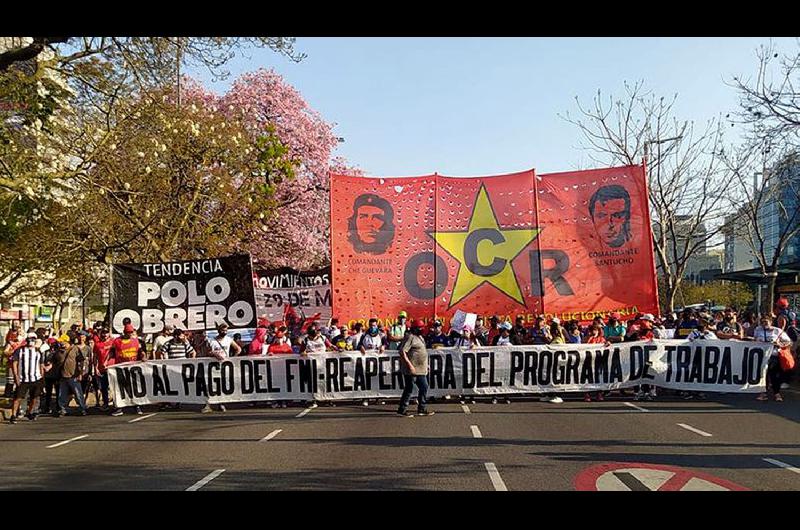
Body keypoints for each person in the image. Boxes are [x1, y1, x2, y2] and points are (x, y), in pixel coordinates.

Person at [201, 323, 241, 413]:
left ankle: (221, 403)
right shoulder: (211, 340)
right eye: (223, 330)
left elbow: (238, 349)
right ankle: (208, 404)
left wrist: (232, 359)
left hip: (224, 366)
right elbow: (207, 352)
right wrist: (214, 353)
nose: (224, 332)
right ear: (219, 330)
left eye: (226, 330)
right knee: (210, 385)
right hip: (213, 366)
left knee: (222, 385)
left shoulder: (229, 340)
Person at [752, 315, 793, 402]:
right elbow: (754, 340)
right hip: (762, 356)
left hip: (774, 356)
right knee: (763, 374)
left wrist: (780, 344)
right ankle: (764, 393)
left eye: (766, 322)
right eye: (762, 322)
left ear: (771, 322)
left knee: (774, 375)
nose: (764, 324)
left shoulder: (777, 331)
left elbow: (789, 342)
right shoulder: (758, 330)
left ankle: (777, 393)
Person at [397, 319, 433, 417]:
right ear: (415, 329)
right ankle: (402, 409)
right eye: (420, 328)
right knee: (409, 388)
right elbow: (402, 351)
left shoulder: (420, 337)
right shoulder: (410, 338)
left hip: (421, 369)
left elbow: (422, 351)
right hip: (411, 369)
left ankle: (422, 408)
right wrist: (410, 365)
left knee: (424, 386)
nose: (422, 329)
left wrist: (426, 364)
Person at [9, 333, 47, 423]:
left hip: (36, 378)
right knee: (18, 397)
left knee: (34, 397)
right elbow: (14, 363)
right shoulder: (20, 351)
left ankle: (29, 412)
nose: (31, 341)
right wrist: (16, 376)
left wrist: (42, 377)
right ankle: (13, 415)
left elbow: (41, 365)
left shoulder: (38, 352)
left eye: (33, 339)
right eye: (30, 339)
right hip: (23, 379)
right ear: (26, 340)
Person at [109, 323, 146, 416]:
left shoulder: (136, 341)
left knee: (134, 388)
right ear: (124, 332)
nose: (129, 334)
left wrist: (143, 356)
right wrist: (108, 363)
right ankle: (119, 408)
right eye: (128, 332)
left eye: (131, 332)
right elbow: (112, 353)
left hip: (132, 367)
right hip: (120, 367)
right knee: (119, 388)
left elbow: (141, 351)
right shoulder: (117, 341)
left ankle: (136, 406)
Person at [57, 335, 88, 417]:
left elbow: (81, 361)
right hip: (63, 376)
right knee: (62, 394)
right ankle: (62, 409)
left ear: (67, 341)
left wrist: (80, 373)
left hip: (74, 376)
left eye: (62, 341)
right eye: (60, 342)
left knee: (78, 393)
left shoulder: (75, 349)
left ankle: (82, 408)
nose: (61, 343)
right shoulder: (59, 351)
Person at [583, 324, 608, 402]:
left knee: (598, 377)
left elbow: (606, 345)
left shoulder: (601, 339)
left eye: (595, 330)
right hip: (588, 360)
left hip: (598, 361)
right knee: (588, 377)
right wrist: (589, 338)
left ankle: (599, 393)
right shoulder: (587, 338)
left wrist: (608, 344)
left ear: (598, 331)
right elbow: (583, 345)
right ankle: (587, 394)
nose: (594, 332)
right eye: (592, 330)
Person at [92, 328, 113, 411]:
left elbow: (113, 353)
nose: (105, 335)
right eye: (103, 333)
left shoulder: (113, 342)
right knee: (103, 387)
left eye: (106, 333)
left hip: (111, 368)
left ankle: (116, 404)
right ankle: (106, 404)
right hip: (102, 369)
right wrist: (95, 368)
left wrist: (107, 361)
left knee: (113, 387)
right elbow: (95, 357)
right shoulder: (97, 344)